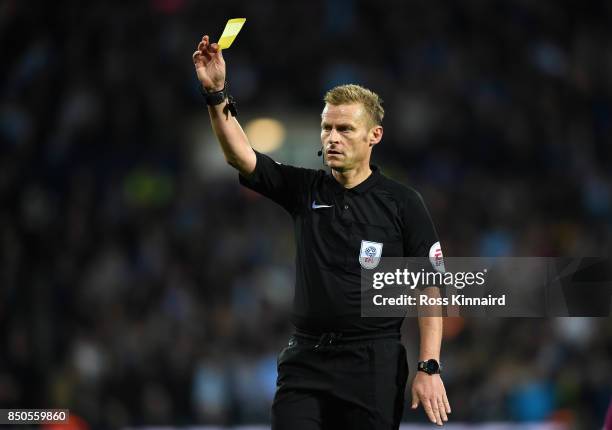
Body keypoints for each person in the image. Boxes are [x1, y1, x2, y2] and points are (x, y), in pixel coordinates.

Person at [192, 34, 451, 429]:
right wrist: (215, 94)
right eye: (326, 127)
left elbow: (430, 287)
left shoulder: (403, 203)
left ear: (373, 136)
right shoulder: (305, 188)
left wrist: (429, 366)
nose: (332, 137)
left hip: (372, 367)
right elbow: (239, 156)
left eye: (345, 129)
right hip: (305, 362)